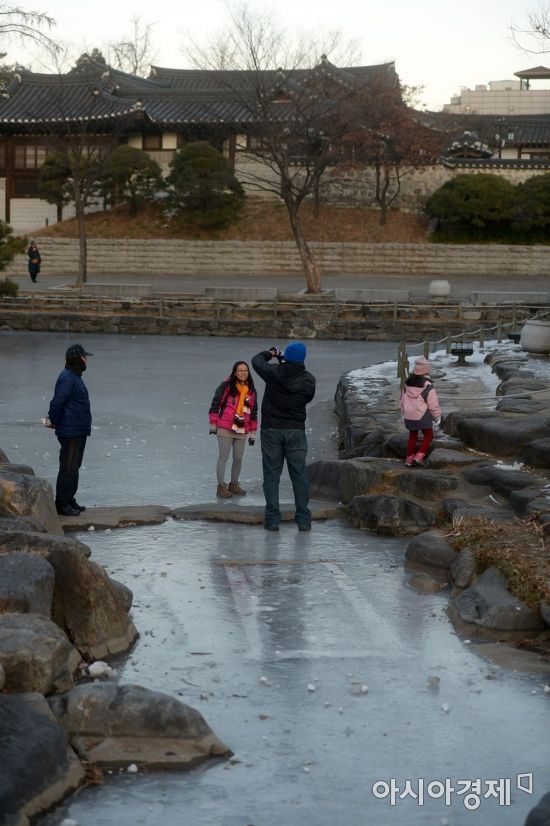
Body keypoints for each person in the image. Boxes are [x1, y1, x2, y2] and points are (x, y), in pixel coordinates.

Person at [252, 342, 316, 531]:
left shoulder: (274, 373)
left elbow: (256, 360)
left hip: (271, 430)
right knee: (299, 475)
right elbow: (305, 395)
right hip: (295, 431)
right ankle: (303, 519)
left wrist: (271, 353)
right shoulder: (309, 380)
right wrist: (284, 361)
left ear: (286, 356)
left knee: (271, 475)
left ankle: (272, 519)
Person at [47, 343, 93, 516]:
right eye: (84, 356)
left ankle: (69, 499)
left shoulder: (75, 376)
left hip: (78, 430)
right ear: (78, 358)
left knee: (74, 467)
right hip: (71, 432)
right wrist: (53, 420)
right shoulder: (67, 377)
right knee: (68, 468)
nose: (87, 359)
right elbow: (57, 402)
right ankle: (62, 504)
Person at [209, 361, 258, 498]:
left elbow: (253, 413)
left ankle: (234, 484)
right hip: (225, 427)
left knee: (238, 458)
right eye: (240, 370)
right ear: (235, 372)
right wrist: (213, 423)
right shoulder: (226, 386)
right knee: (223, 457)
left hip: (242, 429)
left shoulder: (251, 391)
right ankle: (221, 486)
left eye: (245, 370)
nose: (243, 373)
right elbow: (215, 404)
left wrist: (253, 432)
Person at [400, 355, 441, 468]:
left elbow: (402, 400)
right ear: (426, 371)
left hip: (409, 415)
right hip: (421, 415)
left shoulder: (407, 383)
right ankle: (419, 456)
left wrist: (403, 413)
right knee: (429, 435)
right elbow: (433, 405)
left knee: (413, 435)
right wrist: (437, 416)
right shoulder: (428, 386)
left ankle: (409, 458)